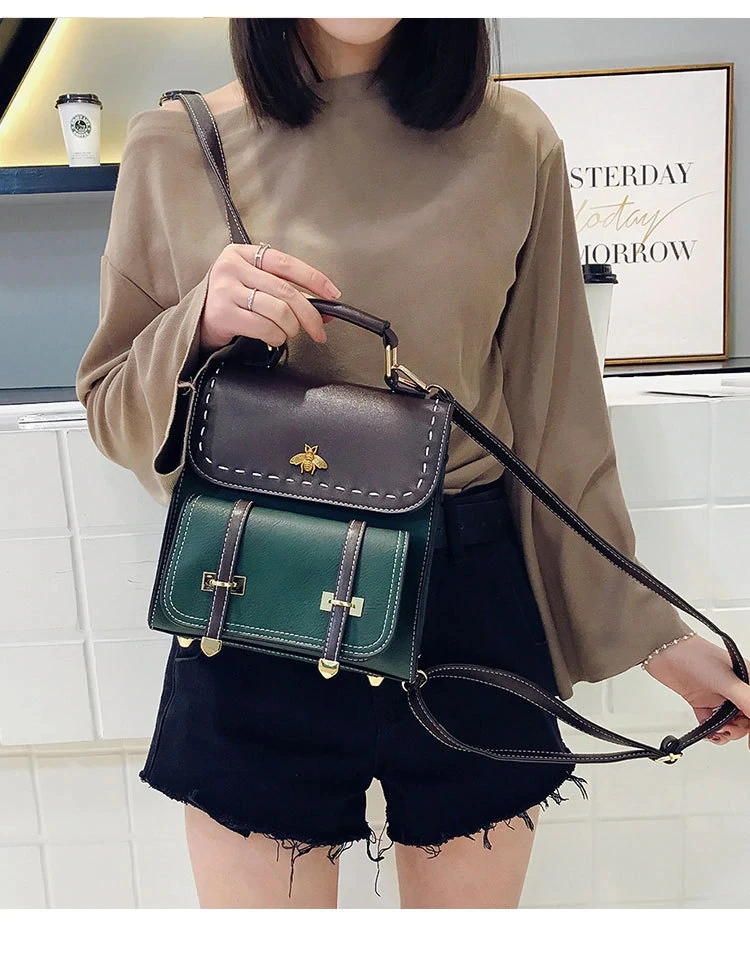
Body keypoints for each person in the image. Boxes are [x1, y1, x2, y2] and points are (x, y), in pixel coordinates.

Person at [75, 18, 750, 909]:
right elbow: (112, 405)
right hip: (258, 596)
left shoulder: (514, 141)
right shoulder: (176, 145)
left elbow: (558, 429)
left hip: (468, 599)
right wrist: (194, 324)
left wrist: (654, 636)